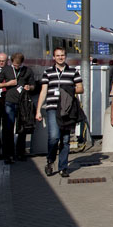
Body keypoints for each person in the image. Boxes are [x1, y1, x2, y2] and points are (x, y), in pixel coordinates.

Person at [35, 47, 84, 177]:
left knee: (65, 139)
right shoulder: (48, 72)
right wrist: (38, 110)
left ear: (65, 56)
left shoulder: (73, 72)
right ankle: (50, 161)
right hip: (52, 107)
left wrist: (68, 89)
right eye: (58, 55)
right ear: (54, 57)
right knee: (54, 137)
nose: (60, 57)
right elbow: (43, 91)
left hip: (67, 109)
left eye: (62, 55)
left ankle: (63, 167)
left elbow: (80, 88)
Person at [0, 53, 37, 163]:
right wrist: (7, 84)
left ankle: (20, 152)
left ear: (22, 63)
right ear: (11, 62)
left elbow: (33, 85)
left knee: (22, 128)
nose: (16, 67)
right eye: (14, 65)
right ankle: (8, 154)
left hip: (23, 103)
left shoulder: (27, 70)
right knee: (8, 128)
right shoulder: (6, 70)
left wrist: (29, 87)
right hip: (10, 102)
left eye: (18, 65)